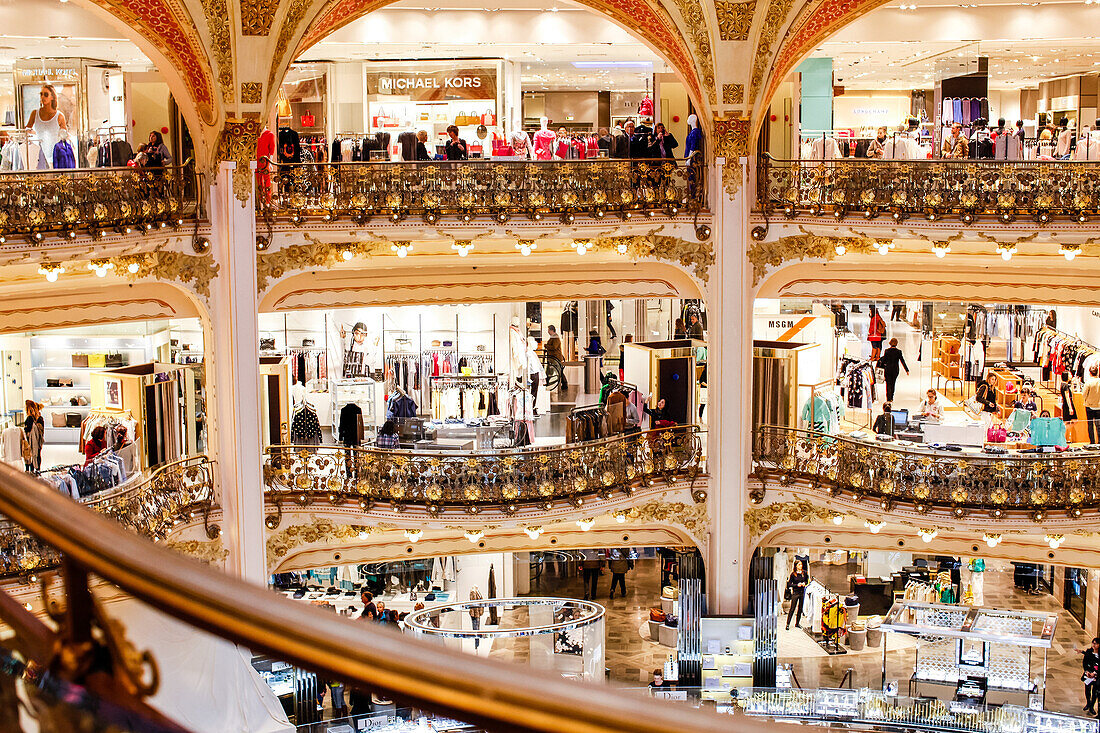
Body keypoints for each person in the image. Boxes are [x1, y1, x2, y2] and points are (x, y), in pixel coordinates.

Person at [26, 84, 67, 170]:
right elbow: (27, 131)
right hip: (39, 155)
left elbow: (64, 137)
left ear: (52, 97)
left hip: (55, 156)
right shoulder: (35, 114)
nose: (42, 97)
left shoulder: (59, 116)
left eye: (46, 94)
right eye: (41, 94)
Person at [877, 338, 909, 402]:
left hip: (888, 369)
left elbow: (884, 361)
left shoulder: (887, 351)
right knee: (893, 383)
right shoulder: (898, 351)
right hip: (895, 370)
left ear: (890, 343)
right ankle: (891, 397)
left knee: (888, 384)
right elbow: (902, 361)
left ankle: (888, 398)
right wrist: (907, 370)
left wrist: (880, 367)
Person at [785, 559, 808, 630]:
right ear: (796, 566)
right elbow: (789, 584)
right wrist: (796, 585)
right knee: (792, 608)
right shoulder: (793, 574)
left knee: (800, 609)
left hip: (802, 593)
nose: (801, 566)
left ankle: (797, 623)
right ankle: (788, 624)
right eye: (799, 564)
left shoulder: (804, 573)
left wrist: (804, 583)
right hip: (795, 593)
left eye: (801, 564)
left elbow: (806, 580)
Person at [22, 400, 43, 473]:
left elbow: (28, 429)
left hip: (31, 441)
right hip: (38, 441)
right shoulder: (39, 418)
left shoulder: (30, 418)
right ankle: (37, 470)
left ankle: (30, 471)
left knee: (30, 455)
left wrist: (24, 429)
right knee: (37, 455)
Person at [1082, 638, 1100, 714]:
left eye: (1095, 643)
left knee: (1095, 692)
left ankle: (1092, 706)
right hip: (1088, 675)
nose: (1094, 645)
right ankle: (1088, 703)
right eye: (1093, 643)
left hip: (1096, 676)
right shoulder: (1089, 652)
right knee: (1087, 690)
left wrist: (1095, 673)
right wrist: (1087, 672)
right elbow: (1084, 662)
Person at [1085, 365, 1100, 443]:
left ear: (1090, 373)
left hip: (1089, 406)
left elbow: (1084, 394)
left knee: (1090, 425)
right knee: (1099, 425)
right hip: (1098, 406)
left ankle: (1092, 442)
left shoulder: (1088, 382)